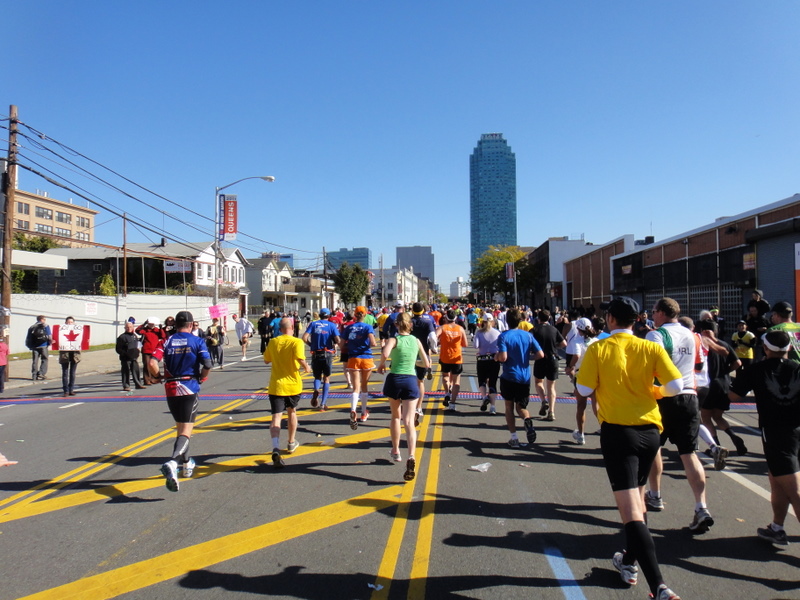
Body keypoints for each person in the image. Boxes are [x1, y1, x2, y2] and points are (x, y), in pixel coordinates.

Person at [576, 296, 683, 600]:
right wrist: (654, 390)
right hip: (650, 432)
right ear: (637, 319)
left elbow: (584, 390)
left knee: (631, 513)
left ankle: (659, 586)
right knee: (638, 499)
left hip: (618, 434)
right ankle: (629, 561)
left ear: (610, 319)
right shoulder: (650, 346)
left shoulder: (598, 347)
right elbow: (675, 387)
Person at [643, 298, 715, 535]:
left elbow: (650, 367)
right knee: (689, 452)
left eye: (654, 312)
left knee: (655, 447)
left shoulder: (656, 336)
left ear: (662, 313)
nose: (652, 316)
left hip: (663, 395)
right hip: (689, 396)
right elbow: (697, 367)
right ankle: (701, 505)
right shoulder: (693, 335)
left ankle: (655, 494)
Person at [729, 330, 800, 546]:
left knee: (793, 488)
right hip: (796, 428)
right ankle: (777, 527)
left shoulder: (758, 370)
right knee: (776, 479)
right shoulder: (797, 367)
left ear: (765, 348)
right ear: (788, 348)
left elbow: (734, 395)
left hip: (777, 431)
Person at [154, 311, 212, 493]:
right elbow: (208, 364)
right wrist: (203, 378)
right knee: (187, 430)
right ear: (190, 324)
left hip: (171, 388)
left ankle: (186, 464)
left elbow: (151, 362)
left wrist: (158, 376)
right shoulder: (197, 341)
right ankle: (173, 462)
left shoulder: (166, 341)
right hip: (189, 385)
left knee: (180, 428)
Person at [378, 312, 430, 482]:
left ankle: (396, 451)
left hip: (394, 379)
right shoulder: (416, 341)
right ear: (410, 325)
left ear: (396, 325)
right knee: (409, 421)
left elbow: (385, 353)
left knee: (395, 417)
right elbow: (427, 363)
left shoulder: (394, 339)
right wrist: (415, 362)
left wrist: (381, 364)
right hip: (410, 379)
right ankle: (412, 455)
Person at [264, 317, 310, 468]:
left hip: (276, 385)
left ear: (280, 328)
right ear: (292, 327)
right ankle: (291, 442)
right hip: (292, 385)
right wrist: (306, 367)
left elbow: (266, 360)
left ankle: (275, 447)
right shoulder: (297, 342)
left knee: (276, 417)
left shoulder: (273, 342)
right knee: (292, 412)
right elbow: (300, 358)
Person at [496, 308, 544, 448]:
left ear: (507, 321)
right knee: (521, 407)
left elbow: (503, 357)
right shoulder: (528, 336)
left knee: (509, 406)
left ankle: (514, 437)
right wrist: (527, 357)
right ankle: (527, 420)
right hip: (524, 376)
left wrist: (497, 357)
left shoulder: (503, 336)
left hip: (509, 376)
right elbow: (540, 354)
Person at [342, 306, 377, 428]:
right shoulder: (368, 327)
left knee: (355, 387)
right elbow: (373, 342)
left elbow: (341, 344)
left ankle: (353, 410)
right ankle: (363, 413)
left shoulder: (349, 327)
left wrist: (351, 346)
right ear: (365, 314)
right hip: (366, 357)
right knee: (364, 386)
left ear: (355, 315)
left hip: (353, 357)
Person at [302, 308, 340, 411]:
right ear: (328, 316)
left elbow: (304, 337)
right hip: (327, 354)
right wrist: (336, 345)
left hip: (316, 353)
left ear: (319, 315)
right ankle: (323, 404)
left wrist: (311, 345)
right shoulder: (332, 325)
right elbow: (337, 339)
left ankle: (316, 389)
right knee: (326, 378)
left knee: (317, 377)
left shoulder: (313, 324)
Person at [532, 309, 566, 422]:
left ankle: (543, 400)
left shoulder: (534, 330)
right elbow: (564, 343)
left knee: (538, 382)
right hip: (552, 358)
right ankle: (551, 412)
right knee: (551, 386)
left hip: (540, 358)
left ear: (538, 318)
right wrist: (555, 346)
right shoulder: (554, 329)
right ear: (549, 318)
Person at [410, 302, 437, 425]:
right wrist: (433, 348)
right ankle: (418, 407)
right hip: (423, 354)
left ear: (412, 310)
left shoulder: (409, 322)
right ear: (423, 311)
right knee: (420, 381)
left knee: (409, 379)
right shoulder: (427, 322)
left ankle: (408, 405)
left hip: (409, 354)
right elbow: (432, 337)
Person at [436, 309, 468, 411]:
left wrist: (439, 342)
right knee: (456, 381)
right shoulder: (460, 329)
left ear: (446, 318)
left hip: (445, 357)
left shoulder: (442, 328)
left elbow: (433, 337)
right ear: (455, 318)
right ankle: (453, 403)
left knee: (445, 376)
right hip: (456, 357)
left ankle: (447, 393)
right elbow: (465, 344)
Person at [474, 312, 500, 415]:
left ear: (483, 322)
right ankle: (493, 407)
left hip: (482, 359)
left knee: (482, 380)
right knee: (493, 382)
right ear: (492, 321)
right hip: (494, 359)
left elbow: (476, 346)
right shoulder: (497, 332)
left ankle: (484, 397)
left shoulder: (479, 333)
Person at [116, 321, 144, 391]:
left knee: (136, 371)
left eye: (130, 327)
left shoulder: (134, 336)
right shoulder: (122, 337)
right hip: (125, 358)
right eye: (127, 327)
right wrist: (125, 354)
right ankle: (126, 386)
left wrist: (137, 352)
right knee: (126, 372)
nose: (129, 328)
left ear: (133, 327)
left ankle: (138, 384)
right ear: (125, 328)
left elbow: (137, 345)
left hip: (134, 358)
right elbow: (118, 349)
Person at [136, 318, 165, 385]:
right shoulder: (145, 330)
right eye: (150, 324)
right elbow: (137, 331)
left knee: (152, 365)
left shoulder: (156, 330)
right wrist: (144, 324)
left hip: (154, 350)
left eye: (152, 324)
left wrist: (161, 328)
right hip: (146, 350)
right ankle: (147, 380)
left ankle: (153, 379)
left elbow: (163, 336)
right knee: (146, 365)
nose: (151, 325)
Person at [58, 316, 81, 397]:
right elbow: (57, 341)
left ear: (74, 323)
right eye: (68, 323)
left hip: (75, 354)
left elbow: (83, 340)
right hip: (65, 354)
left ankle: (71, 389)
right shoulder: (61, 331)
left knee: (72, 373)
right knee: (65, 372)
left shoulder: (79, 331)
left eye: (71, 322)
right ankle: (65, 390)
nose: (70, 324)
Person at [26, 315, 52, 381]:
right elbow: (49, 336)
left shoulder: (32, 327)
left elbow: (28, 337)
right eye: (44, 319)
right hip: (43, 345)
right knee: (44, 359)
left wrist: (29, 345)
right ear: (42, 320)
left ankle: (34, 375)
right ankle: (41, 373)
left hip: (35, 346)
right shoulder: (45, 326)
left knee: (35, 360)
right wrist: (51, 342)